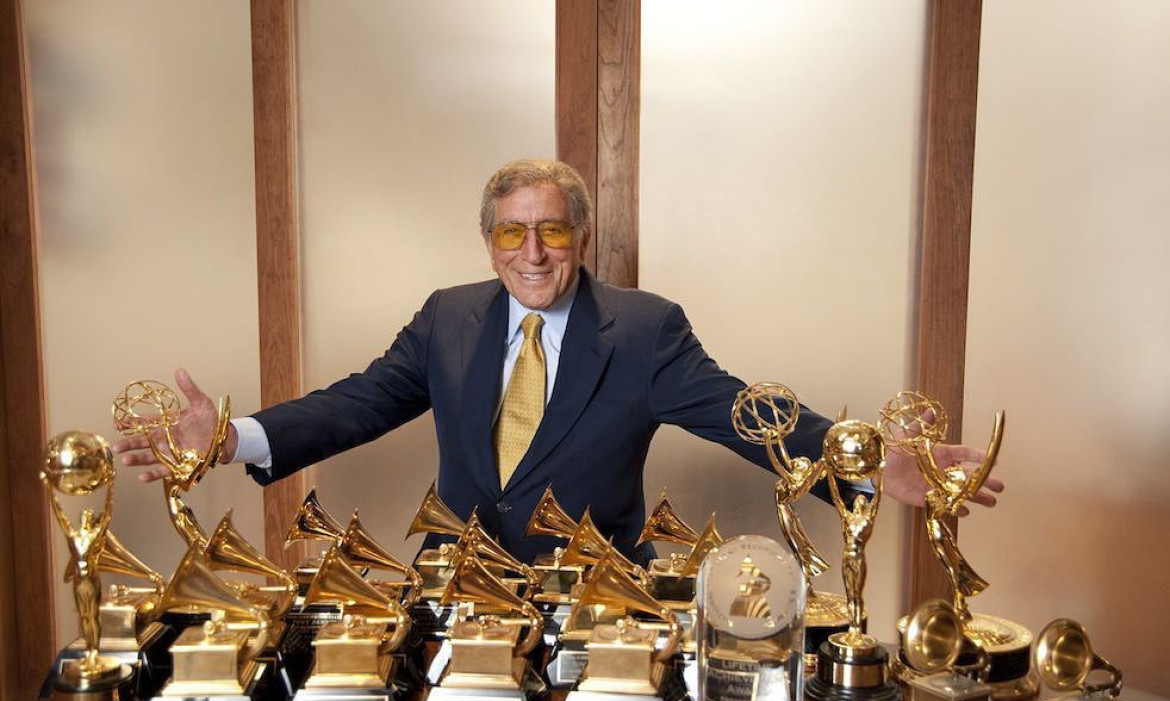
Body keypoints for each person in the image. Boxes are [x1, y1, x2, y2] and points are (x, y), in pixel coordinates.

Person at [113, 158, 1002, 564]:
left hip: (594, 583)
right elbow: (359, 403)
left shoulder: (647, 330)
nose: (532, 253)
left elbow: (741, 414)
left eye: (552, 230)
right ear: (489, 241)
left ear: (581, 236)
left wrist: (866, 467)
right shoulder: (448, 318)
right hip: (454, 573)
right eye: (512, 231)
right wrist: (229, 437)